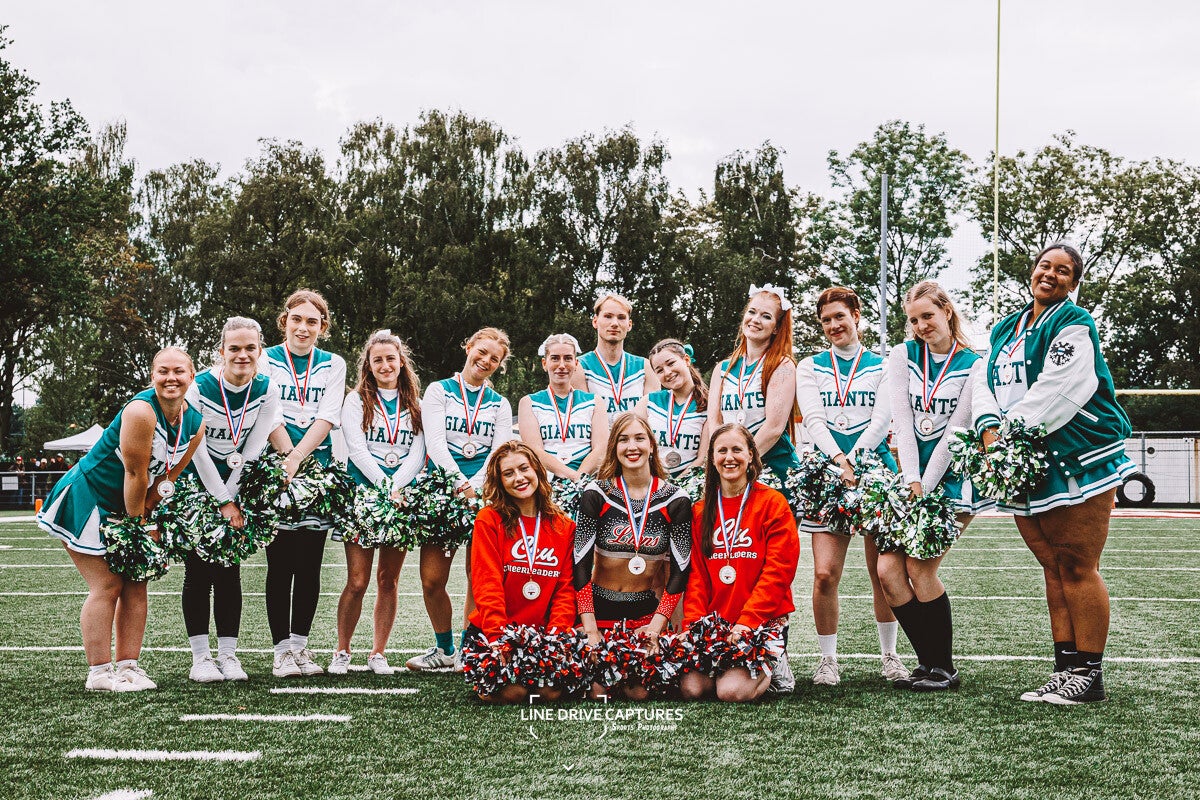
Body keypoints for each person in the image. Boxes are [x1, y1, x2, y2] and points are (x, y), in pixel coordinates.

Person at [972, 243, 1134, 704]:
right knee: (1053, 567)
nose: (1051, 274)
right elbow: (983, 382)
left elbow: (1060, 387)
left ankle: (1090, 674)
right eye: (1045, 265)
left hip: (1077, 454)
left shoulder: (1074, 322)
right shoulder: (1006, 326)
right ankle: (1066, 669)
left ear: (1073, 282)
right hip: (1025, 456)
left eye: (1063, 271)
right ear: (1032, 271)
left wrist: (1007, 434)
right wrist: (988, 429)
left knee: (1077, 564)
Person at [38, 348, 206, 691]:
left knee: (136, 583)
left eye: (179, 371)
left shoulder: (196, 422)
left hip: (131, 503)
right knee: (108, 584)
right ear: (152, 375)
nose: (171, 378)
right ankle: (99, 673)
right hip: (91, 497)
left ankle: (129, 666)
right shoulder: (141, 411)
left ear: (192, 376)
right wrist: (139, 526)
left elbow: (171, 474)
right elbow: (134, 473)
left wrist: (152, 508)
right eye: (163, 371)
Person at [878, 282, 992, 692]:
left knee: (920, 567)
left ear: (946, 310)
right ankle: (928, 663)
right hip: (910, 478)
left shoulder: (975, 364)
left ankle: (943, 667)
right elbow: (904, 424)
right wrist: (911, 481)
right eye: (913, 319)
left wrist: (924, 488)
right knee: (888, 570)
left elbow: (955, 431)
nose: (921, 325)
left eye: (928, 315)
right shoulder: (902, 355)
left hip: (952, 480)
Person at [796, 285, 908, 686]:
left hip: (874, 472)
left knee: (883, 572)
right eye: (826, 320)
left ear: (856, 316)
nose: (833, 325)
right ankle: (828, 659)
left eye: (840, 316)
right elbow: (813, 419)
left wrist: (855, 461)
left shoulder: (883, 364)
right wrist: (839, 462)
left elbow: (882, 420)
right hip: (828, 472)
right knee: (825, 573)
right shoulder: (810, 366)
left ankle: (890, 655)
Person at [183, 317, 287, 683]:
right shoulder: (199, 386)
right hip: (197, 482)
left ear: (260, 351)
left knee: (229, 571)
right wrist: (223, 500)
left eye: (250, 348)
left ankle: (228, 655)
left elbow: (254, 446)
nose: (242, 355)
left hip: (237, 483)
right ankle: (200, 658)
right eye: (234, 348)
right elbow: (195, 450)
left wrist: (235, 495)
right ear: (221, 352)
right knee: (198, 572)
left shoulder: (267, 387)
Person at [408, 327, 515, 671]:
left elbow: (498, 451)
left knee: (478, 577)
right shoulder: (439, 390)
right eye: (481, 352)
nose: (486, 361)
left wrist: (477, 487)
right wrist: (461, 486)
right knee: (432, 580)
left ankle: (470, 649)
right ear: (468, 347)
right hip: (443, 492)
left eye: (494, 359)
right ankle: (444, 649)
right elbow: (435, 443)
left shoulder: (500, 403)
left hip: (486, 494)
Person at [574, 412, 692, 700]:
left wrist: (655, 629)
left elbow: (680, 572)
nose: (632, 447)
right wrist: (590, 630)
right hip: (599, 613)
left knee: (640, 691)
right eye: (623, 440)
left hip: (644, 615)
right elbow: (580, 565)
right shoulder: (596, 494)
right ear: (614, 447)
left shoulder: (676, 499)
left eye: (639, 438)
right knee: (597, 691)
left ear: (651, 445)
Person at [261, 289, 348, 678]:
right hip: (277, 471)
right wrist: (287, 460)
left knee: (310, 566)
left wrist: (299, 460)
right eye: (296, 319)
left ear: (322, 327)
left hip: (317, 471)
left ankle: (300, 647)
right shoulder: (265, 358)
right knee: (280, 565)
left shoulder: (334, 363)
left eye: (312, 321)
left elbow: (328, 416)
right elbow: (268, 413)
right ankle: (281, 651)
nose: (303, 327)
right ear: (285, 321)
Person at [330, 330, 427, 675]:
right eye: (377, 360)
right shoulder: (356, 400)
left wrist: (396, 488)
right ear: (368, 366)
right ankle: (342, 651)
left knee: (388, 580)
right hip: (363, 495)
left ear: (401, 362)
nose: (385, 365)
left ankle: (378, 653)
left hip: (401, 500)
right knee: (357, 581)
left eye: (390, 358)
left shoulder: (416, 403)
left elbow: (419, 452)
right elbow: (357, 449)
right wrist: (386, 487)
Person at [681, 424, 799, 701]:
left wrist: (748, 622)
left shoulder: (772, 503)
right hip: (717, 623)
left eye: (737, 449)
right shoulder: (700, 510)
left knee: (731, 692)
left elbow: (778, 572)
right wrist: (693, 626)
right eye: (721, 451)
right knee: (691, 689)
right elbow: (696, 577)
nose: (729, 457)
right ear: (712, 458)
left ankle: (776, 663)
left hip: (759, 624)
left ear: (751, 455)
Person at [466, 441, 576, 703]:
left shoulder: (564, 526)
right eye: (509, 473)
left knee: (549, 693)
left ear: (537, 470)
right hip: (495, 632)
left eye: (524, 468)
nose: (519, 478)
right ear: (500, 481)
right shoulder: (488, 519)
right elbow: (487, 584)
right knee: (513, 693)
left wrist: (554, 639)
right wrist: (498, 638)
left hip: (541, 635)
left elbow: (565, 590)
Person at [706, 284, 800, 488]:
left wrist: (743, 462)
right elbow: (714, 422)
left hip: (774, 470)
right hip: (732, 469)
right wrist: (725, 460)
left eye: (766, 316)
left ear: (776, 328)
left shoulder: (782, 365)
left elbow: (773, 428)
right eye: (752, 312)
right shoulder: (722, 368)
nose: (755, 319)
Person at [518, 333, 608, 482]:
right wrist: (572, 477)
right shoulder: (528, 402)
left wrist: (580, 479)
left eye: (567, 358)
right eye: (555, 358)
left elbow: (601, 448)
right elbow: (535, 450)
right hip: (546, 483)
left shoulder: (595, 402)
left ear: (576, 363)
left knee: (610, 493)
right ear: (544, 363)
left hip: (588, 481)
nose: (561, 365)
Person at [572, 293, 659, 423]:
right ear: (595, 321)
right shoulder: (579, 366)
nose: (614, 323)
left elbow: (652, 419)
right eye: (608, 316)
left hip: (635, 436)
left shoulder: (645, 367)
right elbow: (583, 419)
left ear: (629, 325)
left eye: (621, 318)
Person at [637, 339, 709, 479]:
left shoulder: (709, 404)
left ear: (686, 360)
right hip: (650, 481)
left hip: (691, 484)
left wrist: (674, 487)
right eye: (659, 370)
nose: (667, 372)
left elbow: (703, 459)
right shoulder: (648, 402)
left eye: (671, 363)